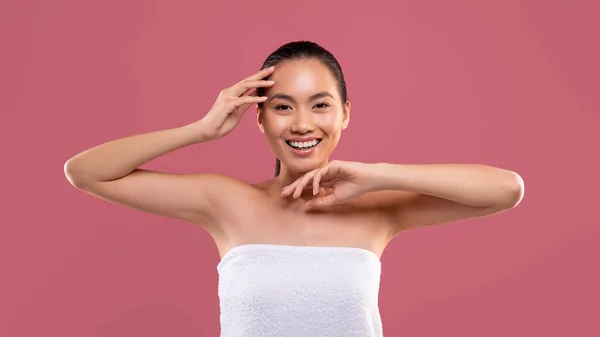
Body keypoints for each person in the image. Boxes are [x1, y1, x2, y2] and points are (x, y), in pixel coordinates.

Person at [64, 40, 524, 336]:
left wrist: (381, 175)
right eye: (282, 107)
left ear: (344, 113)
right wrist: (201, 130)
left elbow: (506, 190)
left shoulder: (379, 209)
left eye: (320, 105)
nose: (302, 124)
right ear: (259, 117)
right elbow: (86, 172)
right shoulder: (227, 202)